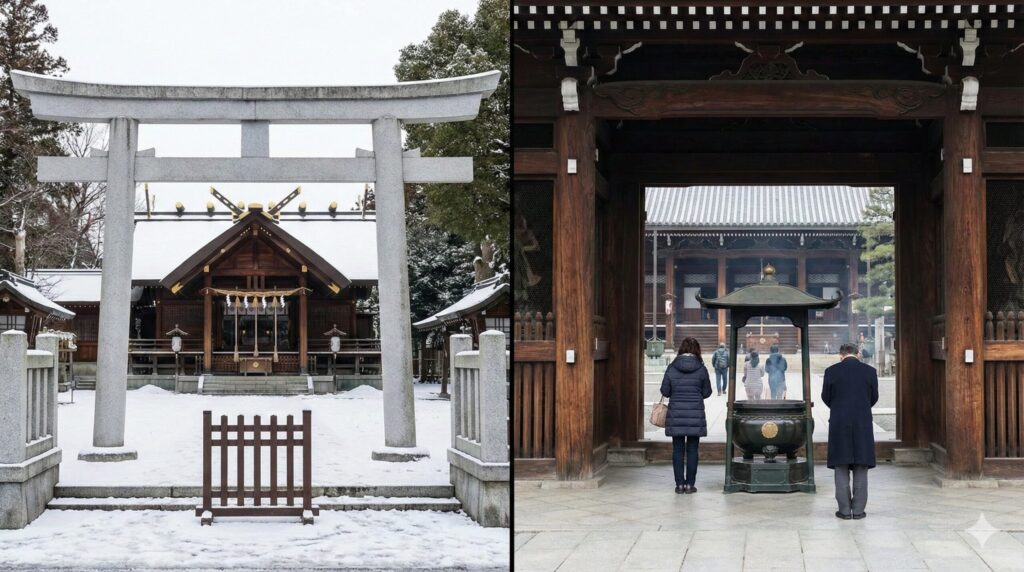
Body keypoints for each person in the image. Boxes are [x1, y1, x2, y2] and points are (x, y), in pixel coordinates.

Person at [822, 342, 879, 520]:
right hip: (862, 423)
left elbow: (826, 397)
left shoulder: (831, 371)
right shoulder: (869, 372)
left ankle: (845, 511)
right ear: (858, 354)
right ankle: (859, 511)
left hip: (839, 423)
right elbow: (874, 397)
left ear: (841, 355)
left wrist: (839, 407)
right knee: (861, 466)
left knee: (841, 466)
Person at [660, 337, 713, 494]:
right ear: (697, 350)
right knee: (692, 450)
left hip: (676, 413)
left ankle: (679, 485)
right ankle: (690, 484)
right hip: (695, 414)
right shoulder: (701, 369)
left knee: (677, 450)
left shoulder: (671, 368)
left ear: (681, 350)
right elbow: (707, 392)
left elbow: (665, 391)